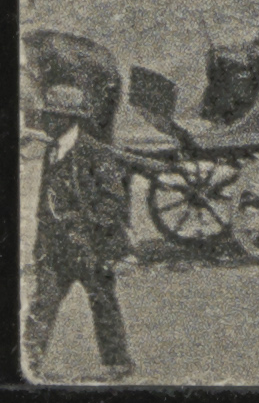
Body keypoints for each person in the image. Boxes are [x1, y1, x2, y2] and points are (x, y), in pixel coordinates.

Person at [22, 81, 136, 381]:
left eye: (52, 115)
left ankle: (117, 364)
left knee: (103, 302)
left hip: (90, 247)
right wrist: (40, 247)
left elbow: (113, 201)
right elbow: (44, 205)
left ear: (69, 118)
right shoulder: (52, 150)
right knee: (43, 303)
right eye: (47, 114)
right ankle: (28, 363)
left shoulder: (95, 153)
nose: (46, 120)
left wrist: (90, 230)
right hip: (55, 248)